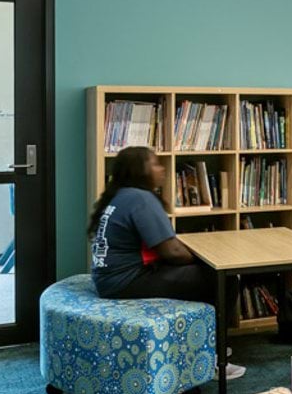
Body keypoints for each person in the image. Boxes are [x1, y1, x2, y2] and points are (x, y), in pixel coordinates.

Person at [89, 146, 245, 379]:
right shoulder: (141, 198)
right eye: (154, 164)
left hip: (109, 280)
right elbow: (172, 252)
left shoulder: (119, 195)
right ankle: (213, 356)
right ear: (139, 171)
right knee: (224, 279)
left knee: (204, 275)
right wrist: (206, 260)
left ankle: (202, 343)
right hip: (127, 281)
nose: (161, 169)